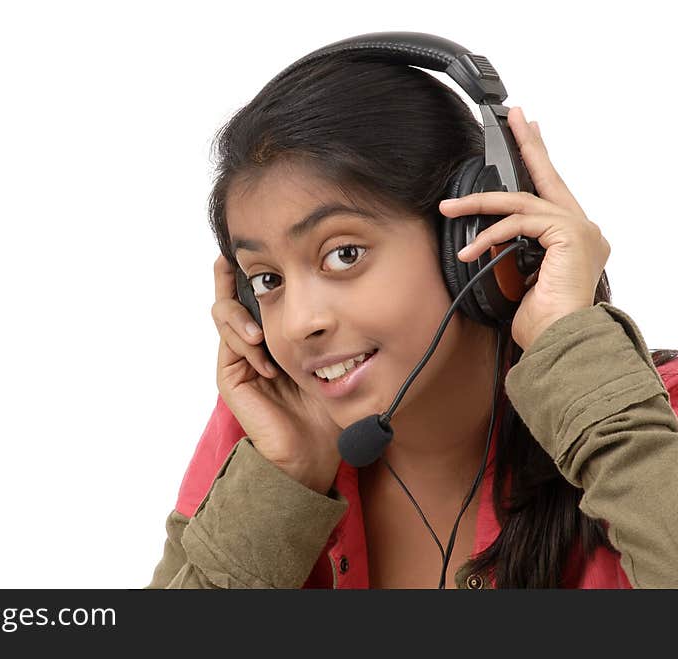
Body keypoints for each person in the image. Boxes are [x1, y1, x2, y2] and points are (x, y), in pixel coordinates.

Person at [146, 47, 678, 588]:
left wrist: (578, 362)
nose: (298, 323)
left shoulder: (647, 422)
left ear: (483, 237)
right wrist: (284, 481)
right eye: (267, 280)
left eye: (344, 254)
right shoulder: (268, 435)